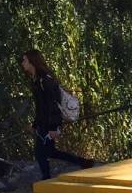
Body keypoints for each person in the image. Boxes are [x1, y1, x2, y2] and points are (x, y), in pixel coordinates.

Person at [22, 49, 93, 180]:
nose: (22, 63)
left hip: (49, 123)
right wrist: (35, 124)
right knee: (50, 152)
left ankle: (46, 179)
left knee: (40, 153)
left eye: (25, 60)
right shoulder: (37, 80)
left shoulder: (45, 81)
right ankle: (84, 162)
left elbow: (53, 105)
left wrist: (54, 127)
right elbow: (41, 107)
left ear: (32, 62)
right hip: (44, 122)